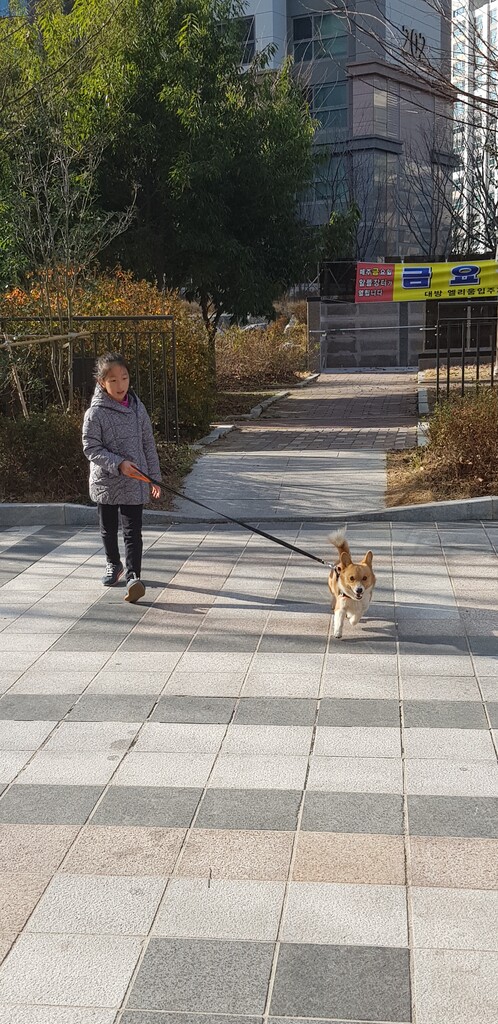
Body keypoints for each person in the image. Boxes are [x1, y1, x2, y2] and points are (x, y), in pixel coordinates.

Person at [82, 352, 161, 603]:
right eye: (113, 380)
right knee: (108, 529)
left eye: (124, 378)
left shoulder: (138, 408)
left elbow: (148, 443)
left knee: (132, 531)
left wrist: (154, 477)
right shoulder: (95, 413)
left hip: (134, 480)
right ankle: (113, 563)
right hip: (106, 481)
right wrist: (118, 464)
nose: (120, 385)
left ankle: (133, 576)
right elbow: (90, 448)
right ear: (101, 382)